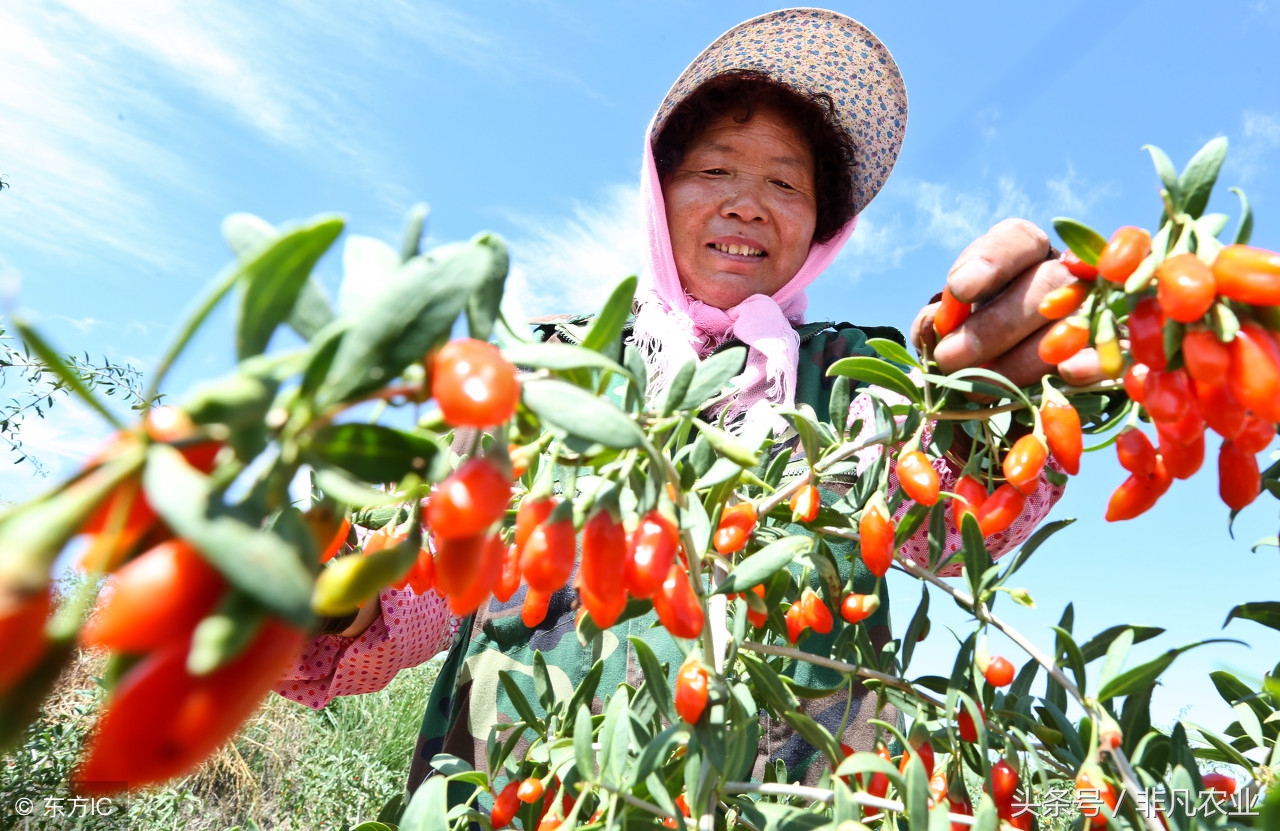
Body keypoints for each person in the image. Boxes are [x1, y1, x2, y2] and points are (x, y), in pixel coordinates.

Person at [274, 7, 1087, 804]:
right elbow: (434, 576)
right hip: (520, 802)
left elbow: (952, 520)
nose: (747, 203)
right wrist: (335, 585)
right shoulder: (549, 370)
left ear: (821, 227)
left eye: (784, 182)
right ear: (658, 196)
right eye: (716, 170)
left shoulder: (854, 381)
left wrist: (997, 408)